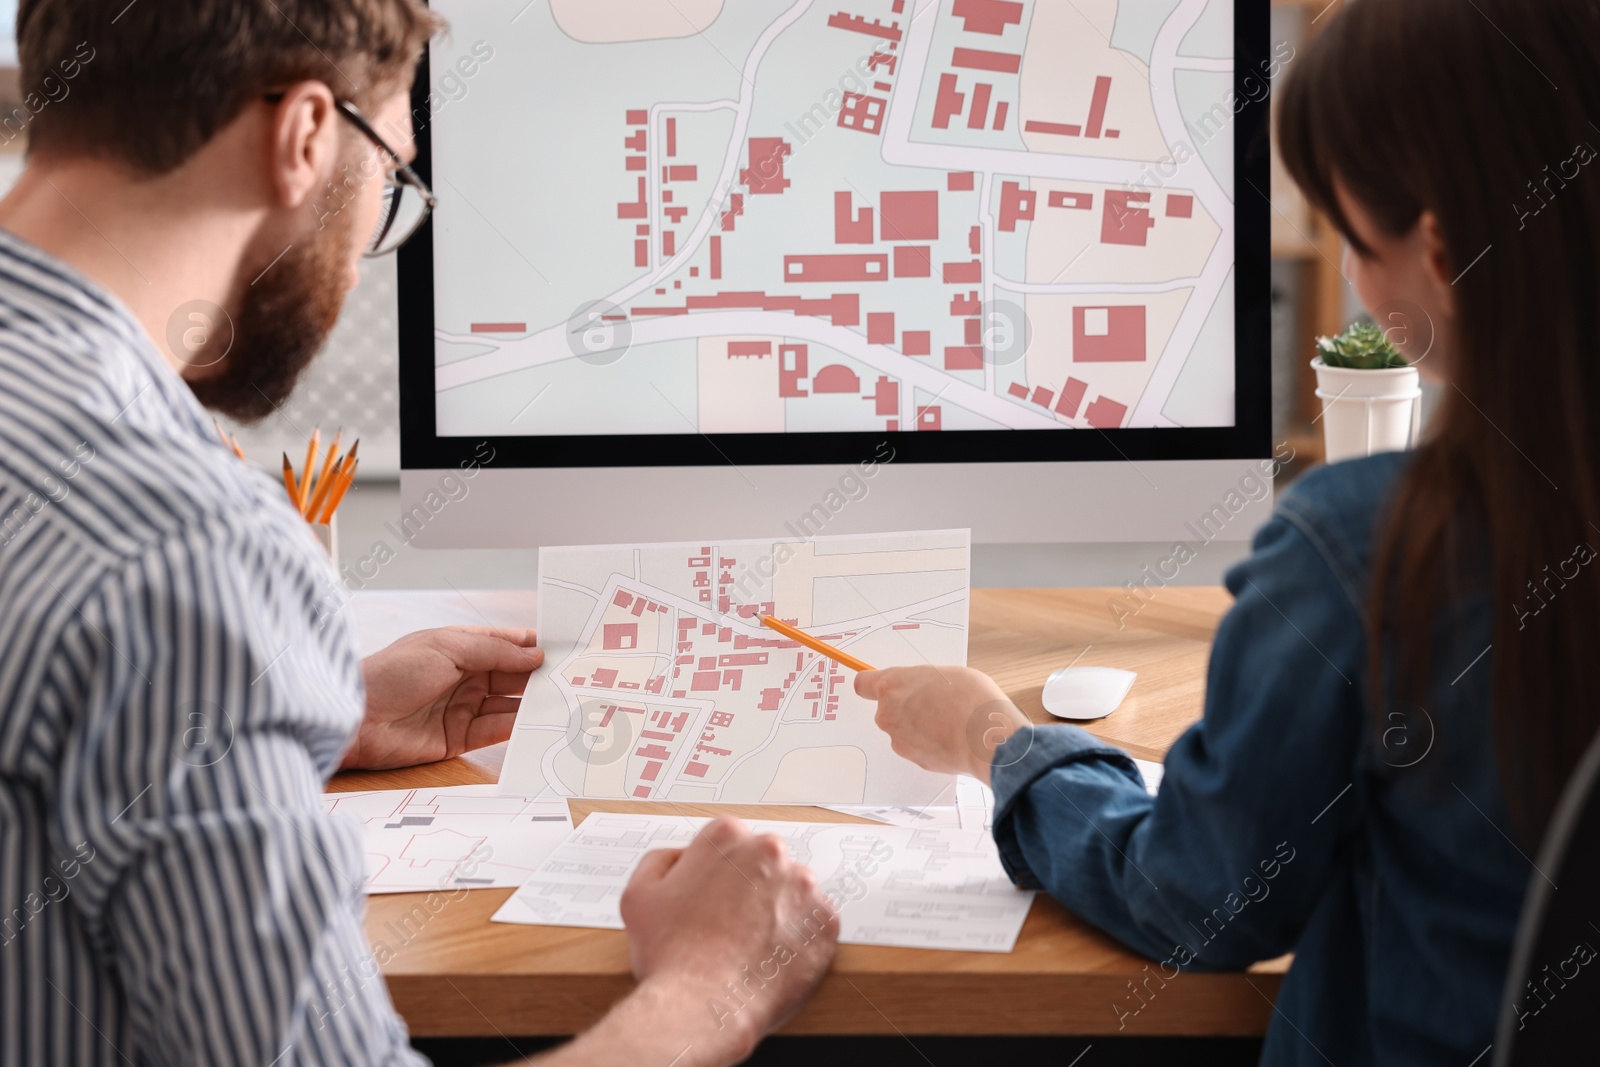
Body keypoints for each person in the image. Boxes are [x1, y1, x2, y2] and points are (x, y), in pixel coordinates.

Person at [0, 2, 836, 1064]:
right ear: (305, 136)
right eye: (390, 185)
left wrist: (296, 720)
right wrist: (716, 982)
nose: (363, 256)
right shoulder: (184, 549)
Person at [858, 0, 1600, 1062]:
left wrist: (995, 740)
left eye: (1350, 232)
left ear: (1436, 250)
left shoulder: (1369, 552)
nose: (1347, 273)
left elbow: (1199, 899)